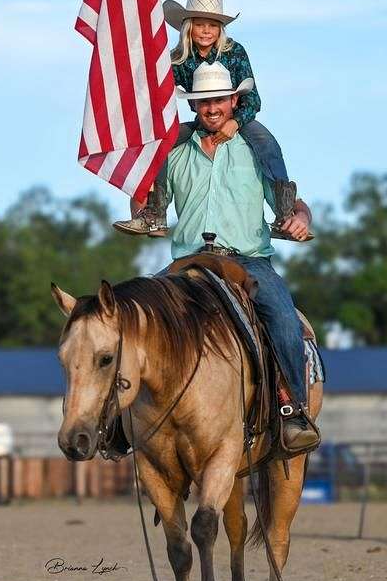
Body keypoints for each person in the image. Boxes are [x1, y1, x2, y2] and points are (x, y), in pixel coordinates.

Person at [130, 60, 319, 451]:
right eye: (203, 102)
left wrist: (300, 216)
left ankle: (292, 411)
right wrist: (137, 196)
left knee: (282, 315)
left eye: (218, 99)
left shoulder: (254, 149)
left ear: (234, 100)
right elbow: (149, 202)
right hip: (187, 264)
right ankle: (124, 421)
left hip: (246, 260)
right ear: (193, 106)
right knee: (134, 316)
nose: (211, 108)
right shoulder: (175, 153)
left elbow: (288, 201)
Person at [113, 0, 289, 237]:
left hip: (240, 117)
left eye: (213, 25)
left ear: (220, 29)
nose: (207, 31)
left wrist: (236, 122)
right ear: (188, 27)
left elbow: (254, 99)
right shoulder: (176, 59)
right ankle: (155, 213)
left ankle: (285, 212)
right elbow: (158, 94)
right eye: (200, 24)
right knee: (162, 146)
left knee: (266, 142)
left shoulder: (234, 51)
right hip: (202, 117)